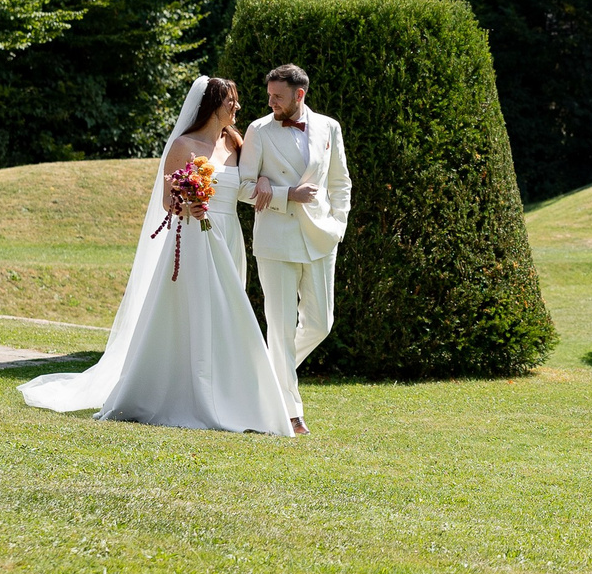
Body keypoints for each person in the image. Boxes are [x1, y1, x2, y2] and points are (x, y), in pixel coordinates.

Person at [17, 75, 294, 434]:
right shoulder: (183, 145)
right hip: (194, 237)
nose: (237, 107)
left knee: (228, 313)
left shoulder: (237, 144)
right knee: (194, 312)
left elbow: (248, 182)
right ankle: (189, 392)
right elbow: (168, 201)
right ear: (212, 106)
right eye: (231, 101)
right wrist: (189, 202)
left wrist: (265, 182)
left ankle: (228, 392)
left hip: (229, 237)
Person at [237, 62, 350, 433]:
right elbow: (242, 187)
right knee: (281, 329)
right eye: (269, 95)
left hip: (321, 238)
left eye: (278, 97)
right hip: (276, 242)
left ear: (299, 95)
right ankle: (290, 411)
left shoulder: (329, 127)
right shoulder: (257, 130)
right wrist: (286, 194)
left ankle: (265, 380)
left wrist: (338, 225)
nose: (271, 102)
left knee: (321, 323)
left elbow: (341, 182)